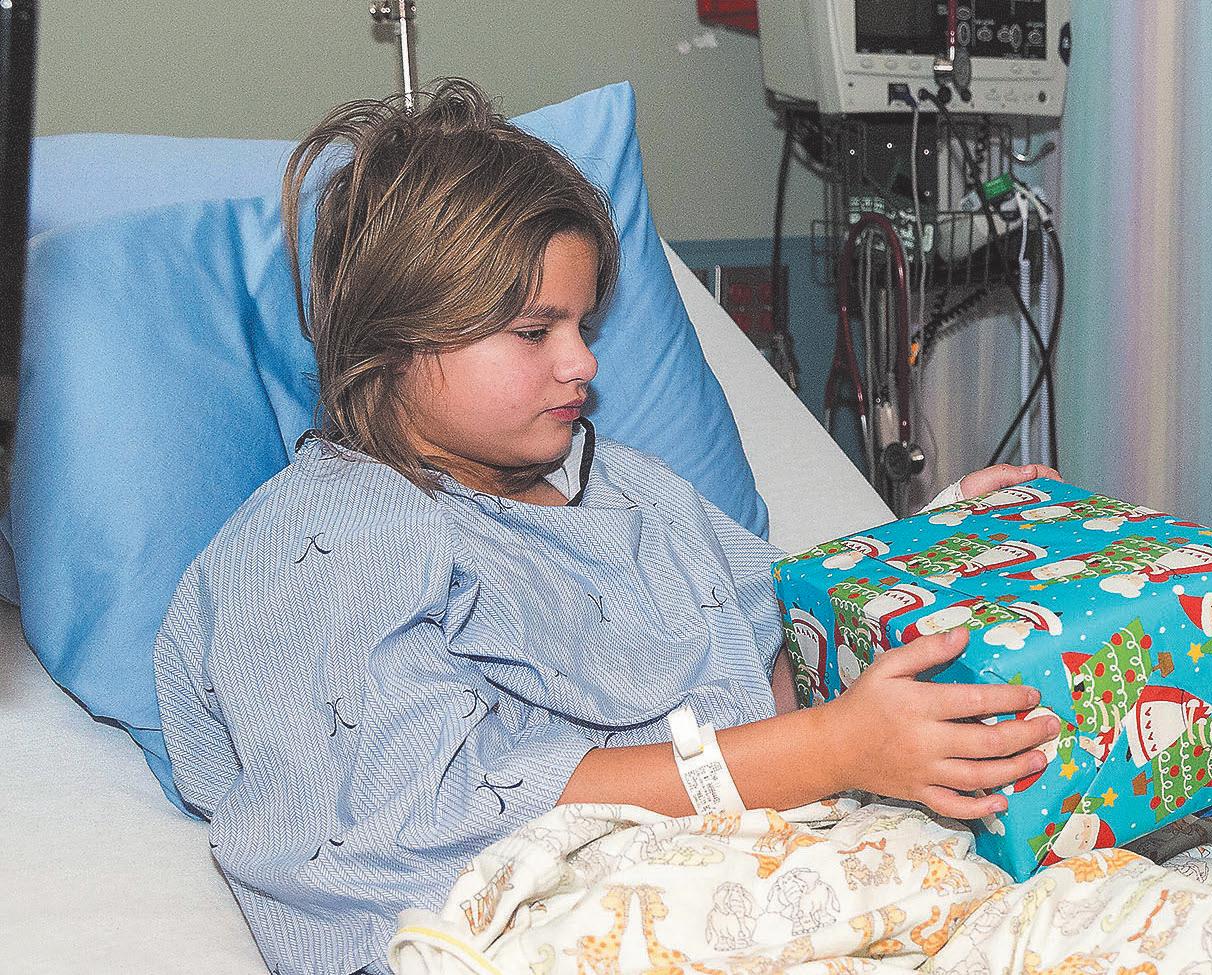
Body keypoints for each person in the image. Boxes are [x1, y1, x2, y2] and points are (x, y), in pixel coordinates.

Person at [154, 79, 1060, 975]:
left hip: (785, 861)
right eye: (533, 331)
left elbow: (786, 648)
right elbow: (418, 820)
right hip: (552, 922)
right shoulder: (330, 538)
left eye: (584, 324)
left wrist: (929, 557)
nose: (582, 361)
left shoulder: (628, 489)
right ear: (391, 340)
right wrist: (826, 752)